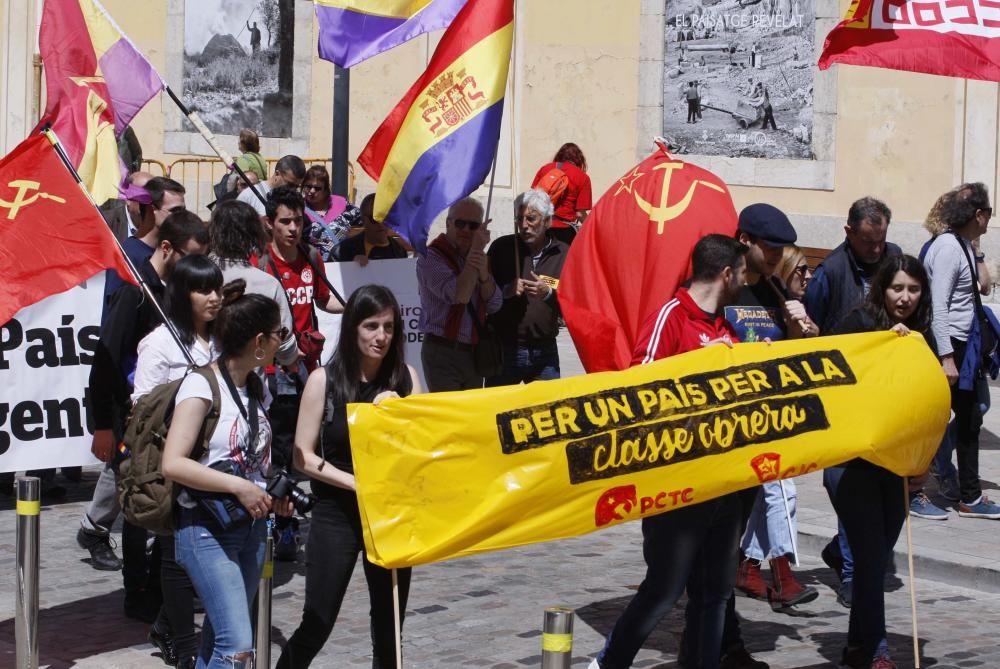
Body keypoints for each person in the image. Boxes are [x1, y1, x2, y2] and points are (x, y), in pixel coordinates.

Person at [589, 234, 748, 669]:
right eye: (743, 271)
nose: (745, 280)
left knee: (715, 595)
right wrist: (700, 364)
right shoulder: (671, 315)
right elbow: (640, 383)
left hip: (723, 482)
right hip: (676, 486)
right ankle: (609, 663)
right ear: (727, 273)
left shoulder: (727, 326)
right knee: (663, 590)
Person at [276, 285, 423, 668]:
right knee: (318, 620)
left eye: (389, 327)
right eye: (371, 326)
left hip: (389, 514)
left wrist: (401, 416)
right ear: (353, 327)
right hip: (337, 512)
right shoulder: (324, 381)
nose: (381, 337)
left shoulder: (406, 379)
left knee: (390, 625)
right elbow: (302, 457)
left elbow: (425, 448)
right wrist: (356, 484)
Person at [79, 212, 209, 626]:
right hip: (127, 416)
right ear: (167, 249)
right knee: (139, 506)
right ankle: (136, 590)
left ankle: (160, 582)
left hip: (163, 418)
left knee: (163, 501)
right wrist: (103, 423)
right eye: (189, 257)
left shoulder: (169, 292)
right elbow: (105, 358)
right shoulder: (135, 291)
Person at [162, 280, 293, 669]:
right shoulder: (200, 386)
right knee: (237, 648)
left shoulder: (256, 386)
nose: (281, 343)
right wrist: (238, 486)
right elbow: (173, 463)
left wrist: (271, 491)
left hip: (250, 528)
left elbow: (254, 457)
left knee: (217, 642)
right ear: (258, 341)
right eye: (278, 335)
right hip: (205, 529)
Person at [828, 255, 935, 669]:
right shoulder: (859, 322)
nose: (905, 298)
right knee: (872, 564)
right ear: (882, 289)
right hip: (852, 464)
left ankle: (857, 646)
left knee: (875, 557)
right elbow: (831, 371)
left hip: (894, 465)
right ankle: (877, 651)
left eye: (913, 289)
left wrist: (920, 461)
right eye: (897, 288)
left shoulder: (919, 332)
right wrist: (881, 349)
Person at [805, 197, 898, 608]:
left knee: (881, 490)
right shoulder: (830, 273)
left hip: (885, 395)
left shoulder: (896, 261)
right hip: (842, 396)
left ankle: (846, 554)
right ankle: (850, 573)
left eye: (881, 241)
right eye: (867, 243)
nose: (876, 251)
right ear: (848, 234)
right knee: (845, 484)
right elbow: (812, 333)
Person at [133, 255, 222, 669]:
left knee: (204, 550)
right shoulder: (159, 343)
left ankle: (166, 624)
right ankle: (185, 646)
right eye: (204, 289)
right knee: (175, 553)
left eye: (218, 288)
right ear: (182, 294)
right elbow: (142, 408)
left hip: (217, 461)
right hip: (175, 459)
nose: (214, 298)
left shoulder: (222, 339)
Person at [260, 186, 343, 560]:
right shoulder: (261, 264)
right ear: (270, 224)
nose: (293, 228)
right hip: (274, 370)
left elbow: (323, 298)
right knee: (281, 450)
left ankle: (295, 517)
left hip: (309, 368)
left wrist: (354, 308)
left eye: (298, 220)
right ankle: (283, 526)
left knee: (306, 445)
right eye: (286, 221)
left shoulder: (311, 257)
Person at [923, 182, 1000, 519]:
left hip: (963, 345)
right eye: (988, 216)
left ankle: (969, 496)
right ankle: (915, 489)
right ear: (979, 215)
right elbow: (939, 307)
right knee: (932, 422)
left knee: (969, 422)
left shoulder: (962, 245)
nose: (988, 222)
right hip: (950, 345)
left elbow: (981, 288)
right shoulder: (948, 249)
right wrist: (946, 357)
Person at [416, 196, 501, 392]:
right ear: (448, 223)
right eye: (460, 223)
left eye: (473, 226)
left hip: (473, 351)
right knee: (449, 417)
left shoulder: (478, 259)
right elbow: (458, 295)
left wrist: (484, 278)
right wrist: (477, 250)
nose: (466, 230)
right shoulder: (430, 256)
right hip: (442, 351)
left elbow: (495, 304)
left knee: (471, 418)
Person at [485, 189, 568, 385]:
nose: (524, 225)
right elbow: (483, 294)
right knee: (499, 410)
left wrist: (548, 293)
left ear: (547, 221)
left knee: (545, 411)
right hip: (505, 349)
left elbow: (572, 301)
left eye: (531, 219)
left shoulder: (563, 253)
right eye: (519, 219)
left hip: (545, 351)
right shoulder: (501, 248)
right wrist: (505, 291)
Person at [209, 200, 300, 368]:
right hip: (250, 379)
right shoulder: (267, 283)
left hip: (200, 376)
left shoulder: (195, 274)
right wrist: (292, 361)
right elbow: (283, 338)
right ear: (253, 233)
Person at [531, 143, 593, 245]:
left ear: (559, 156)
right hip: (565, 231)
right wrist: (590, 226)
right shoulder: (582, 178)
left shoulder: (545, 169)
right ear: (579, 159)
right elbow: (579, 213)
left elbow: (532, 198)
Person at [302, 164, 360, 261]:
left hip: (342, 265)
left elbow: (367, 220)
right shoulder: (298, 209)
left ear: (325, 190)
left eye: (317, 188)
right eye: (308, 186)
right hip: (314, 267)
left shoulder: (342, 204)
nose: (311, 191)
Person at [334, 194, 408, 265]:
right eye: (375, 218)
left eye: (385, 217)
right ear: (363, 220)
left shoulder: (400, 252)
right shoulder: (343, 251)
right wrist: (350, 264)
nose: (381, 224)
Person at [237, 154, 305, 218]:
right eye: (290, 184)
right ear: (277, 174)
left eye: (296, 187)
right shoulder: (249, 196)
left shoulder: (295, 198)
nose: (292, 190)